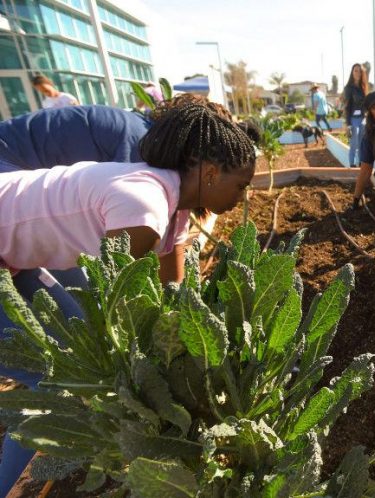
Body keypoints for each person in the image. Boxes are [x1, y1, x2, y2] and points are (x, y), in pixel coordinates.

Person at [0, 97, 256, 495]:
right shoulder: (144, 206)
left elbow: (173, 295)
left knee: (70, 340)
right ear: (209, 173)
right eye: (240, 185)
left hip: (12, 251)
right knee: (59, 380)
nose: (243, 197)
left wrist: (190, 348)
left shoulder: (175, 209)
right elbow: (117, 309)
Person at [0, 105, 151, 173]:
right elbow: (118, 190)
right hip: (9, 155)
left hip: (13, 144)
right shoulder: (140, 141)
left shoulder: (135, 122)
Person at [341, 63, 368, 167]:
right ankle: (352, 165)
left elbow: (365, 105)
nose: (358, 73)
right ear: (352, 73)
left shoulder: (363, 87)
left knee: (361, 143)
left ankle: (360, 165)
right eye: (355, 70)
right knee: (354, 143)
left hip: (362, 119)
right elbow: (347, 107)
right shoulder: (348, 88)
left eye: (360, 71)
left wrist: (366, 115)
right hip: (352, 119)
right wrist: (348, 124)